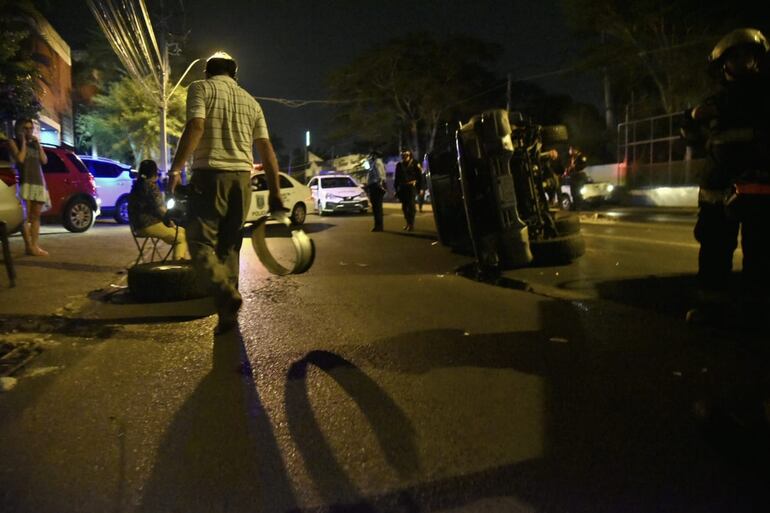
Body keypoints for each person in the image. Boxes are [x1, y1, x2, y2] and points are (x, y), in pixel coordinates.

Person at [168, 51, 283, 335]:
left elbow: (196, 126)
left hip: (209, 176)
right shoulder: (251, 102)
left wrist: (176, 168)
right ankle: (227, 317)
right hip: (242, 179)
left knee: (199, 242)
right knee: (231, 245)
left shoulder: (200, 88)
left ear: (207, 72)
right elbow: (266, 148)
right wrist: (275, 191)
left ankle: (225, 293)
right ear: (234, 75)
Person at [683, 28, 770, 324]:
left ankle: (755, 312)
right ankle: (711, 309)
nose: (747, 61)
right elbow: (693, 138)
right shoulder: (709, 103)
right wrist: (692, 121)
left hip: (759, 188)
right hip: (716, 190)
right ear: (724, 64)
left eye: (751, 56)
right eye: (739, 56)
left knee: (760, 255)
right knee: (714, 255)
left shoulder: (758, 97)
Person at [127, 160, 189, 260]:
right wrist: (169, 222)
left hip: (136, 226)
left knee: (182, 231)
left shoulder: (136, 186)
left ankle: (179, 260)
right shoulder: (151, 187)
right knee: (181, 238)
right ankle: (177, 265)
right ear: (154, 173)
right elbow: (159, 209)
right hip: (149, 225)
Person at [7, 118, 50, 256]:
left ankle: (35, 246)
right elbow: (20, 159)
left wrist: (38, 145)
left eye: (30, 128)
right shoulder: (13, 142)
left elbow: (44, 160)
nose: (28, 131)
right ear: (19, 129)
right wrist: (24, 142)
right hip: (25, 183)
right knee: (25, 218)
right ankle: (28, 246)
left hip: (38, 183)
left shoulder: (35, 144)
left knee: (36, 217)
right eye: (25, 128)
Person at [394, 149, 422, 231]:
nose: (404, 157)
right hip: (402, 187)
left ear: (409, 155)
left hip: (411, 187)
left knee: (411, 206)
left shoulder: (415, 163)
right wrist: (396, 188)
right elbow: (397, 178)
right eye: (403, 155)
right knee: (404, 207)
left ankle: (411, 224)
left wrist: (420, 188)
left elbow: (420, 177)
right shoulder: (399, 165)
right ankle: (408, 222)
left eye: (406, 155)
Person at [364, 152, 386, 232]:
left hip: (376, 187)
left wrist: (379, 185)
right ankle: (378, 225)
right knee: (376, 208)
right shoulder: (373, 164)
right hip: (374, 186)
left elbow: (380, 176)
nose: (368, 158)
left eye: (369, 156)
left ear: (374, 156)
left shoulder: (377, 163)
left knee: (377, 208)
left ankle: (379, 226)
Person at [562, 145, 588, 210]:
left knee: (577, 191)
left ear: (575, 150)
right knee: (573, 192)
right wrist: (567, 170)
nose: (569, 151)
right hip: (573, 176)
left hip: (579, 175)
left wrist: (575, 167)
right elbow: (569, 167)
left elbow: (583, 165)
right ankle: (575, 205)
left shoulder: (580, 156)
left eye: (571, 150)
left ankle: (580, 206)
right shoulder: (571, 158)